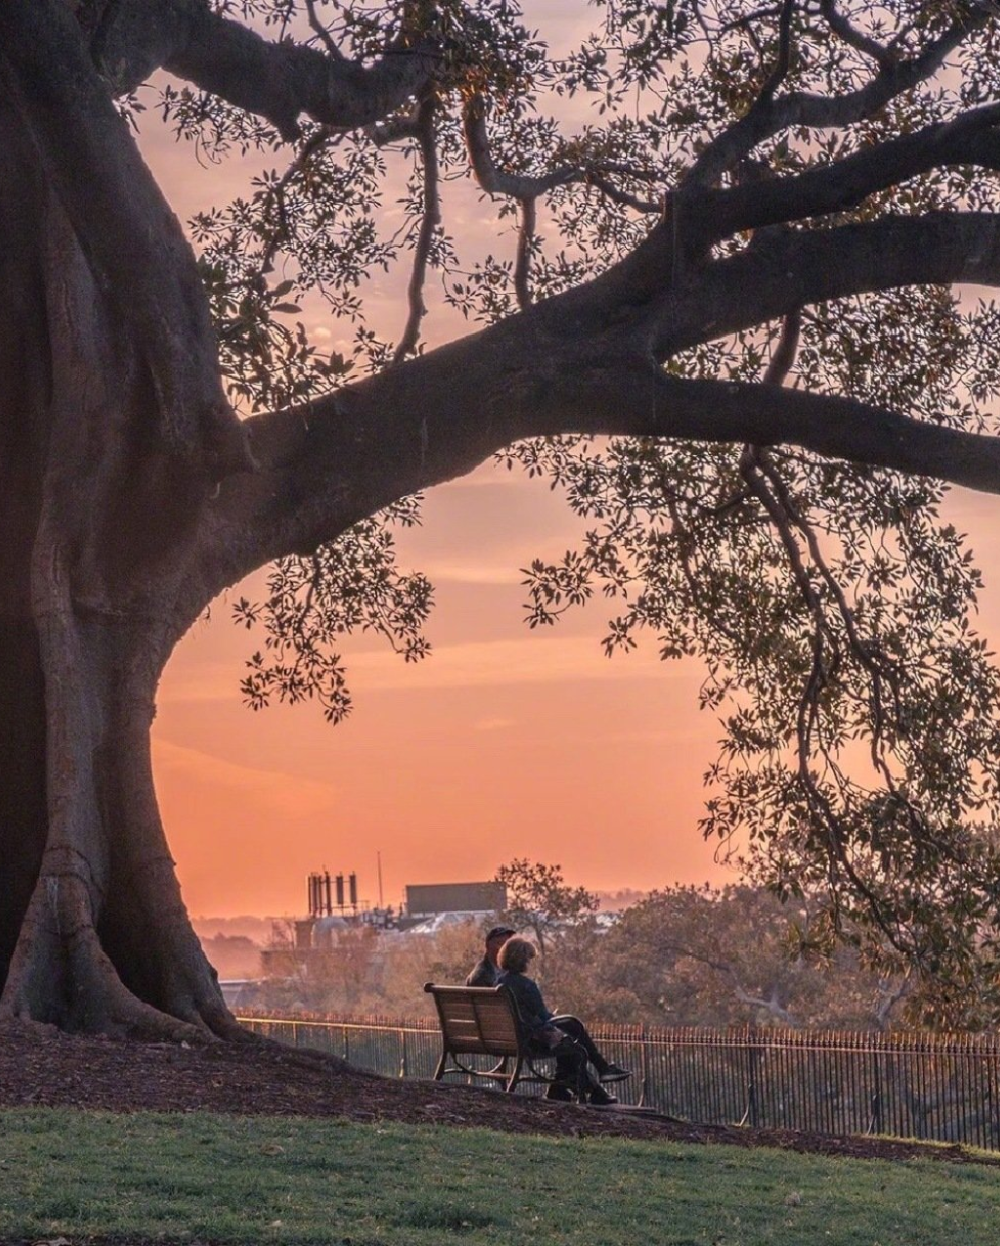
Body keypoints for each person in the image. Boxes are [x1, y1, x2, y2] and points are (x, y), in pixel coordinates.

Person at [496, 935, 630, 1105]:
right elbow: (543, 1016)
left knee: (570, 1038)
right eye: (529, 959)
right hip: (530, 1040)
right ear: (522, 960)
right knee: (572, 1031)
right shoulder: (526, 985)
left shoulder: (499, 982)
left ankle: (563, 1090)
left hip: (509, 1038)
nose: (529, 963)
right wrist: (554, 1018)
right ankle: (600, 1075)